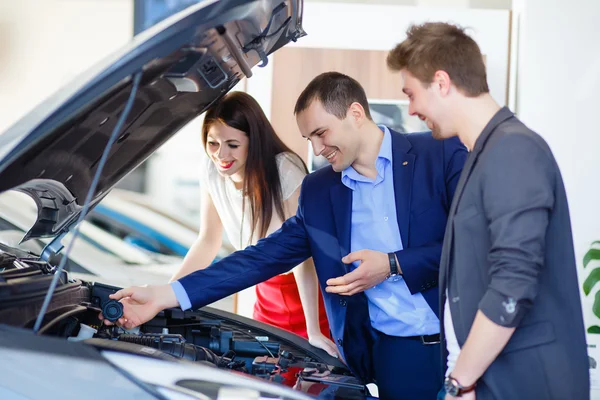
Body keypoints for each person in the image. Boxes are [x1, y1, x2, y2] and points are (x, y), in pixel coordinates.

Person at [101, 72, 468, 399]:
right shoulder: (321, 190)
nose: (316, 149)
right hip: (397, 354)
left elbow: (473, 244)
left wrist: (392, 265)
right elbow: (259, 258)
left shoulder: (439, 152)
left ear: (356, 114)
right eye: (309, 138)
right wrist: (165, 295)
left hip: (468, 338)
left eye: (321, 133)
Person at [386, 22, 589, 400]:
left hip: (524, 383)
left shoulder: (513, 150)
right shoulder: (483, 153)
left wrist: (459, 380)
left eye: (411, 94)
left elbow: (514, 281)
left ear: (442, 83)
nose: (411, 110)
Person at [168, 91, 337, 356]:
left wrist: (313, 329)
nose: (221, 154)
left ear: (253, 141)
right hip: (266, 293)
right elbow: (208, 240)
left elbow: (306, 255)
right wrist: (169, 294)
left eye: (232, 145)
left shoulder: (285, 169)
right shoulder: (211, 171)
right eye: (212, 143)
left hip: (310, 296)